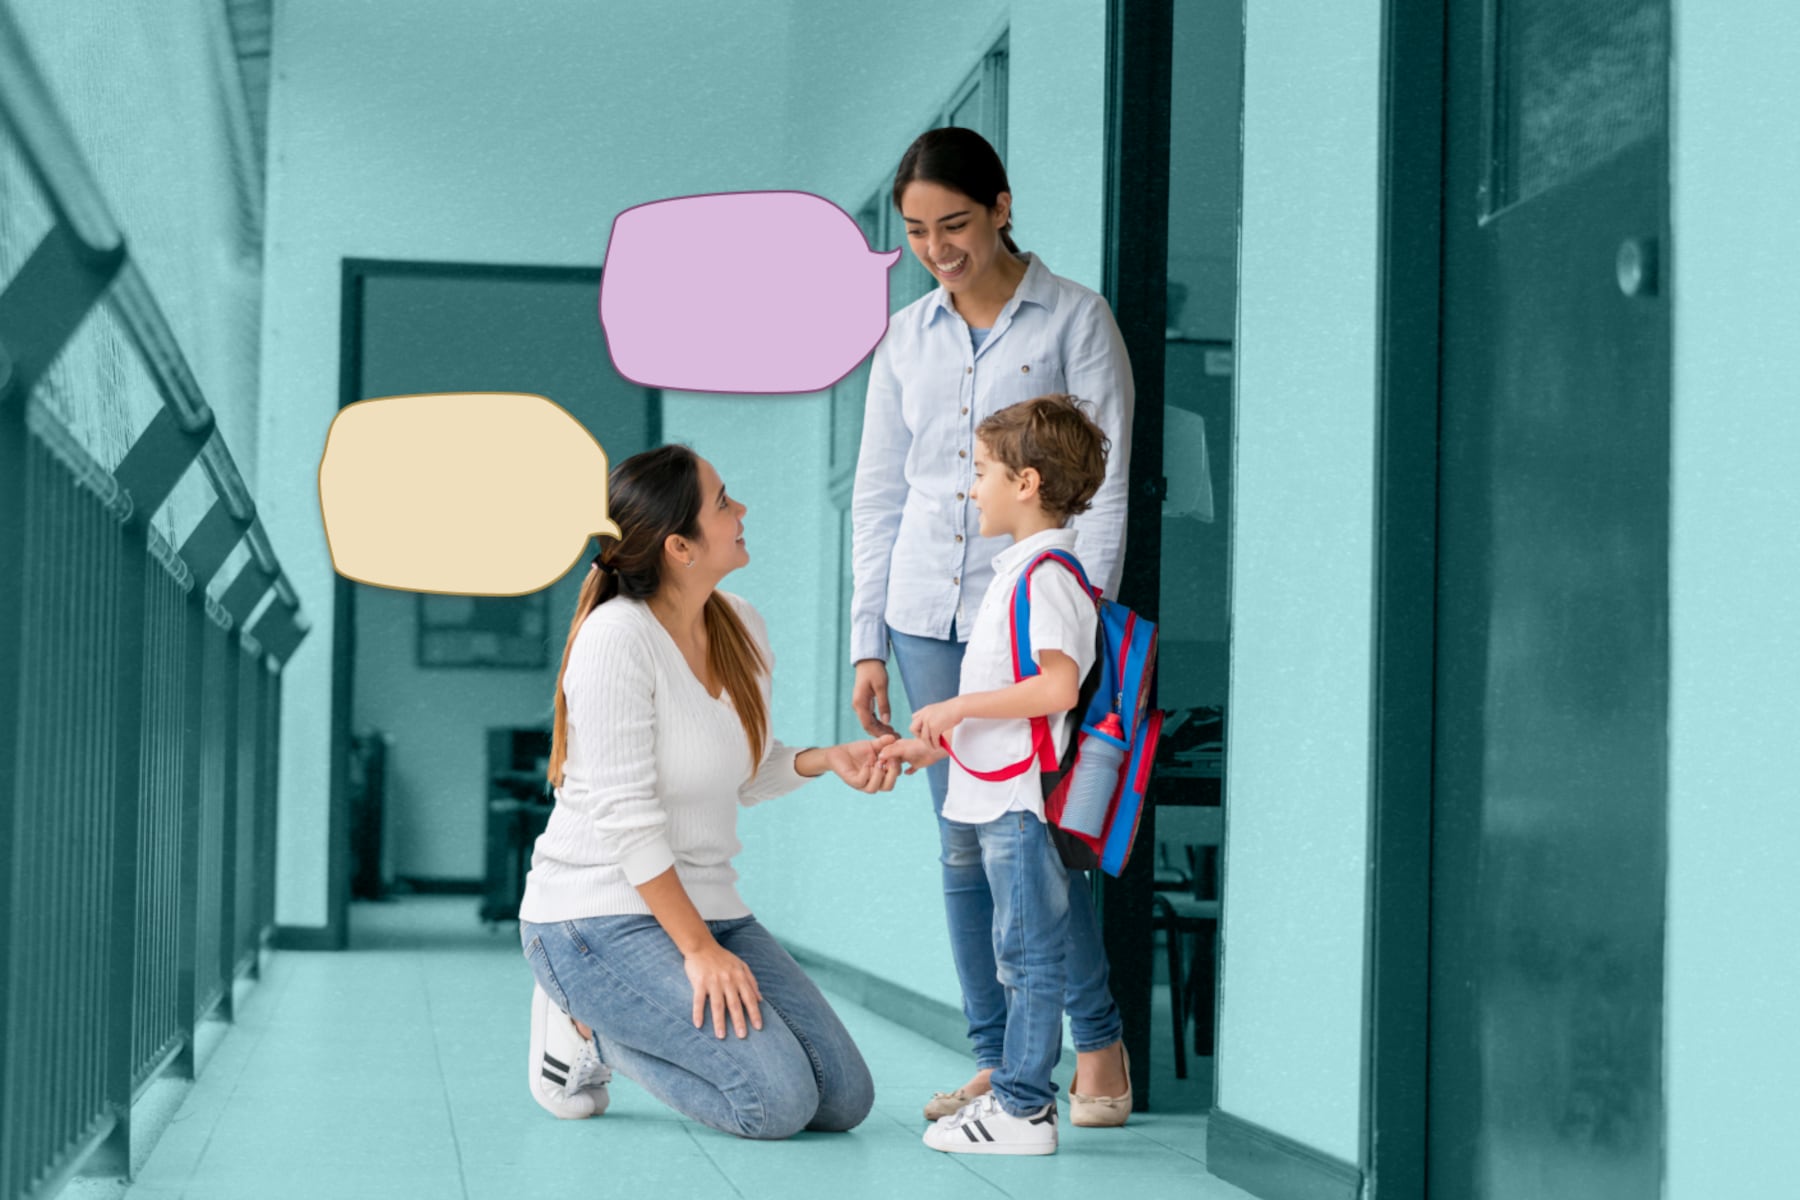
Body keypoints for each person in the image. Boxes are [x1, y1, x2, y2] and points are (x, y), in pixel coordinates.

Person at [850, 126, 1134, 1124]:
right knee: (963, 845)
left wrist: (1076, 623)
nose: (939, 248)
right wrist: (866, 641)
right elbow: (878, 495)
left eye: (956, 224)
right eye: (920, 232)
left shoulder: (1076, 321)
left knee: (1039, 844)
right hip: (927, 613)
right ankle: (995, 1054)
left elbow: (1102, 493)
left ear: (1002, 206)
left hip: (1033, 618)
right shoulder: (905, 337)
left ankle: (1094, 1042)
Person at [520, 443, 894, 1139]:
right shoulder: (614, 640)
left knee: (843, 1099)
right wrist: (698, 951)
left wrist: (827, 759)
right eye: (724, 502)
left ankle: (611, 1013)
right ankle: (581, 1027)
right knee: (776, 1104)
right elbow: (629, 822)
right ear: (679, 547)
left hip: (709, 907)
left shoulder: (740, 624)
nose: (742, 510)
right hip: (595, 919)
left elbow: (742, 772)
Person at [881, 393, 1120, 1155]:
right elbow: (1013, 706)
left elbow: (1055, 689)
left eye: (980, 471)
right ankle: (1018, 1098)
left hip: (1019, 806)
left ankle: (1023, 1111)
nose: (969, 487)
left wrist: (955, 706)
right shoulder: (1018, 570)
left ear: (1026, 483)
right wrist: (935, 743)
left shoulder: (1048, 574)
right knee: (1016, 951)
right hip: (995, 794)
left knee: (1027, 955)